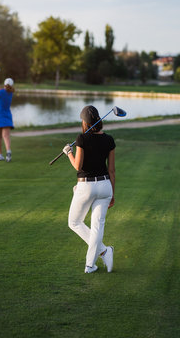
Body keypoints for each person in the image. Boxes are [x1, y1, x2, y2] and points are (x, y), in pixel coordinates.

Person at [62, 105, 116, 273]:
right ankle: (92, 263)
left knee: (74, 222)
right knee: (97, 227)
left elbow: (78, 166)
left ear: (85, 123)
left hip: (86, 186)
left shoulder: (82, 138)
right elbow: (112, 170)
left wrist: (68, 153)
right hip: (105, 186)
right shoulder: (109, 140)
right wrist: (112, 193)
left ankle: (102, 254)